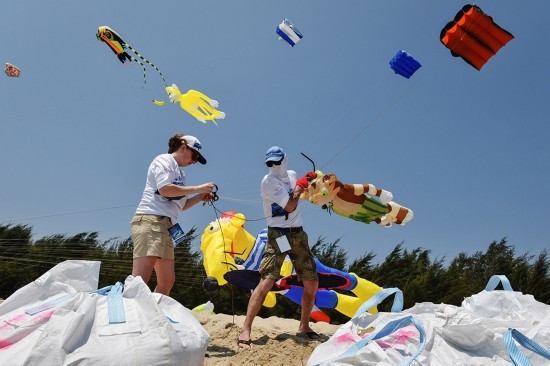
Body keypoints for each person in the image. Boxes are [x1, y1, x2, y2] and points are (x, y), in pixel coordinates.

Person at [238, 146, 319, 349]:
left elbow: (303, 195)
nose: (274, 166)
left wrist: (313, 183)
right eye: (270, 163)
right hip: (278, 235)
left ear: (285, 160)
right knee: (266, 281)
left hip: (298, 234)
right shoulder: (268, 182)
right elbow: (290, 205)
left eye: (277, 161)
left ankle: (304, 326)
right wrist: (300, 186)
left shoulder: (291, 175)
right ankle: (246, 328)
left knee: (312, 282)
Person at [131, 133, 215, 296]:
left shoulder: (180, 174)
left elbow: (180, 206)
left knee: (167, 280)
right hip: (151, 219)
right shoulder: (164, 160)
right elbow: (165, 189)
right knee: (140, 279)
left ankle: (155, 316)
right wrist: (198, 188)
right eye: (194, 155)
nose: (194, 161)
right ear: (183, 147)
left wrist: (199, 197)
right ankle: (127, 316)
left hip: (167, 225)